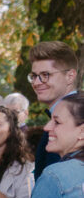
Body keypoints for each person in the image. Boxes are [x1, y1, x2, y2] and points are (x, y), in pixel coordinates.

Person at [27, 41, 79, 180]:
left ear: (70, 76)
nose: (36, 83)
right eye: (33, 76)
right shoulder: (57, 121)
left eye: (45, 75)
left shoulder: (77, 119)